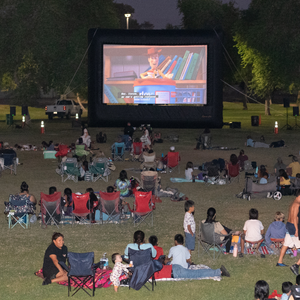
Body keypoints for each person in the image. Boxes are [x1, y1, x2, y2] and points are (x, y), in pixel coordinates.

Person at [277, 191, 300, 274]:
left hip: (289, 225)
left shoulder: (293, 203)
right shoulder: (297, 205)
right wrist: (296, 230)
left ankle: (279, 261)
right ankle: (296, 266)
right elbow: (294, 218)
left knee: (286, 244)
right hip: (293, 227)